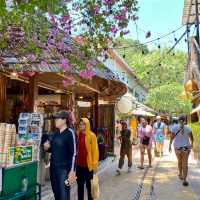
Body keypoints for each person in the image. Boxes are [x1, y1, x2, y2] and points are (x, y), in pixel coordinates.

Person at [44, 111, 77, 200]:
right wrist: (47, 148)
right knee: (56, 193)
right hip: (53, 168)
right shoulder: (55, 133)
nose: (55, 120)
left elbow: (74, 153)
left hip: (64, 171)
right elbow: (53, 149)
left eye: (57, 118)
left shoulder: (70, 133)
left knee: (64, 195)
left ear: (64, 120)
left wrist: (72, 171)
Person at [76, 118, 99, 200]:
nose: (81, 125)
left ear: (87, 125)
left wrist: (95, 166)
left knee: (89, 186)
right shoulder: (78, 134)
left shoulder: (92, 136)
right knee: (80, 185)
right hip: (79, 165)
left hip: (88, 166)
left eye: (83, 124)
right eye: (80, 124)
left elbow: (95, 152)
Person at [169, 115, 194, 186]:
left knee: (179, 161)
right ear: (185, 120)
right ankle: (185, 179)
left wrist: (169, 146)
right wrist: (192, 144)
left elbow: (171, 137)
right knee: (185, 163)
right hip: (186, 147)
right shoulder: (188, 127)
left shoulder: (174, 127)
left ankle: (180, 174)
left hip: (177, 147)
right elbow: (192, 138)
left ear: (178, 120)